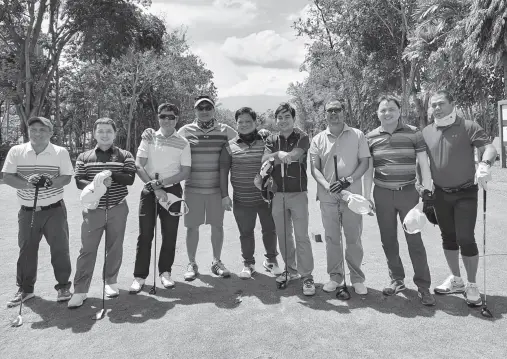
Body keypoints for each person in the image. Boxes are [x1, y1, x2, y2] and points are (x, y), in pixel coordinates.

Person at [141, 96, 236, 280]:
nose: (205, 110)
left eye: (208, 107)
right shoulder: (185, 130)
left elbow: (243, 138)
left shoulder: (226, 130)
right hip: (192, 188)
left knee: (217, 226)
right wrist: (149, 132)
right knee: (192, 228)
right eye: (201, 108)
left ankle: (217, 261)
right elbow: (166, 136)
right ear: (195, 111)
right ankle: (192, 263)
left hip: (217, 189)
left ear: (214, 109)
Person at [422, 90, 497, 306]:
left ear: (452, 104)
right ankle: (456, 280)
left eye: (441, 104)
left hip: (465, 192)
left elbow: (488, 148)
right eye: (433, 105)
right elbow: (421, 162)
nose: (436, 108)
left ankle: (471, 284)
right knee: (448, 237)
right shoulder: (427, 131)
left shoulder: (468, 126)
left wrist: (485, 164)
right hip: (440, 194)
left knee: (466, 238)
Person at [363, 96, 435, 306]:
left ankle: (423, 286)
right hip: (382, 193)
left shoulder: (414, 133)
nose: (387, 113)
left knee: (414, 240)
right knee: (388, 240)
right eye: (383, 110)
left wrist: (427, 193)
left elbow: (424, 164)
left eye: (391, 109)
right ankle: (397, 280)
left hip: (409, 193)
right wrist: (367, 196)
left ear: (399, 111)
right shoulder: (370, 137)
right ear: (377, 113)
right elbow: (368, 170)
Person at [2, 117, 73, 307]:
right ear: (28, 131)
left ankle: (64, 287)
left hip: (54, 210)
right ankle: (25, 290)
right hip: (27, 210)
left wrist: (50, 182)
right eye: (33, 129)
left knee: (60, 249)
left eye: (42, 129)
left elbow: (66, 177)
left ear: (51, 132)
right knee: (27, 250)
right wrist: (27, 183)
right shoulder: (17, 151)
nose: (37, 133)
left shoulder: (60, 151)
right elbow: (7, 177)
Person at [68, 118, 136, 308]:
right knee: (87, 250)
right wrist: (96, 184)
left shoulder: (125, 155)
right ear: (94, 133)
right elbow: (78, 181)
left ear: (115, 133)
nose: (104, 134)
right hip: (93, 210)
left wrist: (110, 175)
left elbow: (129, 179)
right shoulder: (84, 156)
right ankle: (80, 290)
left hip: (117, 207)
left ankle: (110, 282)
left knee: (114, 247)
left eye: (108, 131)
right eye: (100, 131)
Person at [309, 99, 369, 296]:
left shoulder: (357, 135)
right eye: (329, 111)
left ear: (343, 112)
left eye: (337, 110)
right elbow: (315, 169)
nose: (333, 113)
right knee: (332, 238)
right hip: (328, 197)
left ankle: (357, 278)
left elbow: (364, 163)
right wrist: (328, 186)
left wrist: (347, 180)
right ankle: (335, 277)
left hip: (351, 196)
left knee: (353, 238)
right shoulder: (318, 139)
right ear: (324, 114)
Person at [130, 103, 191, 293]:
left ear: (177, 119)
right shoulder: (148, 137)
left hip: (172, 192)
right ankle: (140, 277)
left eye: (171, 117)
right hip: (150, 191)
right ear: (158, 117)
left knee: (169, 235)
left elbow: (185, 172)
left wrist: (162, 184)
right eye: (163, 116)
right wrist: (155, 188)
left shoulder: (183, 142)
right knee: (145, 235)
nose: (167, 120)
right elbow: (139, 165)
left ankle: (165, 273)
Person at [219, 107, 281, 279]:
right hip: (242, 199)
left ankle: (271, 261)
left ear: (255, 123)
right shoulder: (229, 146)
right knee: (246, 233)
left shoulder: (267, 142)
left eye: (248, 121)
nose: (244, 125)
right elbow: (223, 171)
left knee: (269, 230)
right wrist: (225, 196)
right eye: (241, 122)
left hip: (266, 198)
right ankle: (248, 263)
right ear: (236, 124)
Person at [261, 102, 315, 296]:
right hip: (277, 194)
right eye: (280, 118)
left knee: (301, 237)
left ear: (293, 119)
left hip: (298, 193)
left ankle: (307, 276)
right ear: (276, 120)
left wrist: (281, 156)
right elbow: (265, 159)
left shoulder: (302, 136)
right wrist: (278, 154)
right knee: (284, 235)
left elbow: (295, 155)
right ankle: (291, 271)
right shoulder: (271, 138)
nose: (283, 121)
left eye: (287, 117)